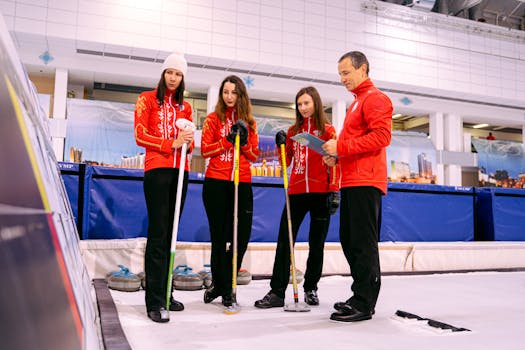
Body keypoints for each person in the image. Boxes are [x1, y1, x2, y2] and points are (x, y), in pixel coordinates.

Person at [322, 51, 392, 322]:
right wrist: (337, 156)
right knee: (349, 241)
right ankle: (359, 294)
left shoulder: (375, 98)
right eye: (340, 74)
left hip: (366, 180)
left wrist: (341, 146)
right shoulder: (356, 103)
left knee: (362, 243)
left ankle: (365, 302)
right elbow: (356, 144)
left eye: (346, 72)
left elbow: (382, 136)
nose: (342, 79)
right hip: (351, 179)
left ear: (363, 69)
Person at [254, 86, 339, 309]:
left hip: (321, 193)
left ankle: (311, 287)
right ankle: (277, 291)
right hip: (297, 192)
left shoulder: (328, 131)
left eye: (307, 103)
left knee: (317, 243)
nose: (303, 108)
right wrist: (281, 144)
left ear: (316, 104)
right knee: (285, 241)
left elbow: (337, 162)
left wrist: (334, 190)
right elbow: (287, 161)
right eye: (299, 104)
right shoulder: (293, 131)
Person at [134, 52, 194, 323]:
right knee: (158, 234)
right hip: (157, 170)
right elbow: (139, 134)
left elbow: (190, 144)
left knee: (171, 234)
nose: (173, 77)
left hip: (181, 171)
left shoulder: (187, 107)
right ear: (163, 73)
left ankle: (167, 292)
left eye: (178, 74)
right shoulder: (146, 99)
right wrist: (170, 143)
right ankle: (154, 300)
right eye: (170, 72)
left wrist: (188, 141)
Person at [201, 75, 259, 307]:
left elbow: (254, 155)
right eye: (225, 92)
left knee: (240, 237)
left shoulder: (250, 122)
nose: (229, 96)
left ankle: (224, 284)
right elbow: (205, 149)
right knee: (219, 237)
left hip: (241, 182)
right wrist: (227, 140)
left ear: (241, 95)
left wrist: (243, 142)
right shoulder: (213, 118)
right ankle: (225, 287)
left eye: (234, 92)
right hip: (216, 182)